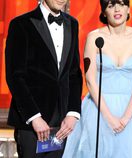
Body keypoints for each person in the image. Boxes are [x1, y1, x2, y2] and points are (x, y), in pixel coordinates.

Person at [62, 0, 132, 157]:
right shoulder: (94, 37)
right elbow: (90, 80)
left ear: (128, 9)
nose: (117, 9)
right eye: (111, 5)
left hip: (131, 111)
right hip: (98, 110)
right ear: (104, 12)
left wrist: (126, 118)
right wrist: (109, 118)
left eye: (121, 4)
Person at [5, 0, 82, 157]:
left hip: (60, 124)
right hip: (32, 123)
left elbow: (74, 73)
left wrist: (73, 113)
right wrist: (34, 117)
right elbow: (15, 76)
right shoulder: (21, 24)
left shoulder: (72, 24)